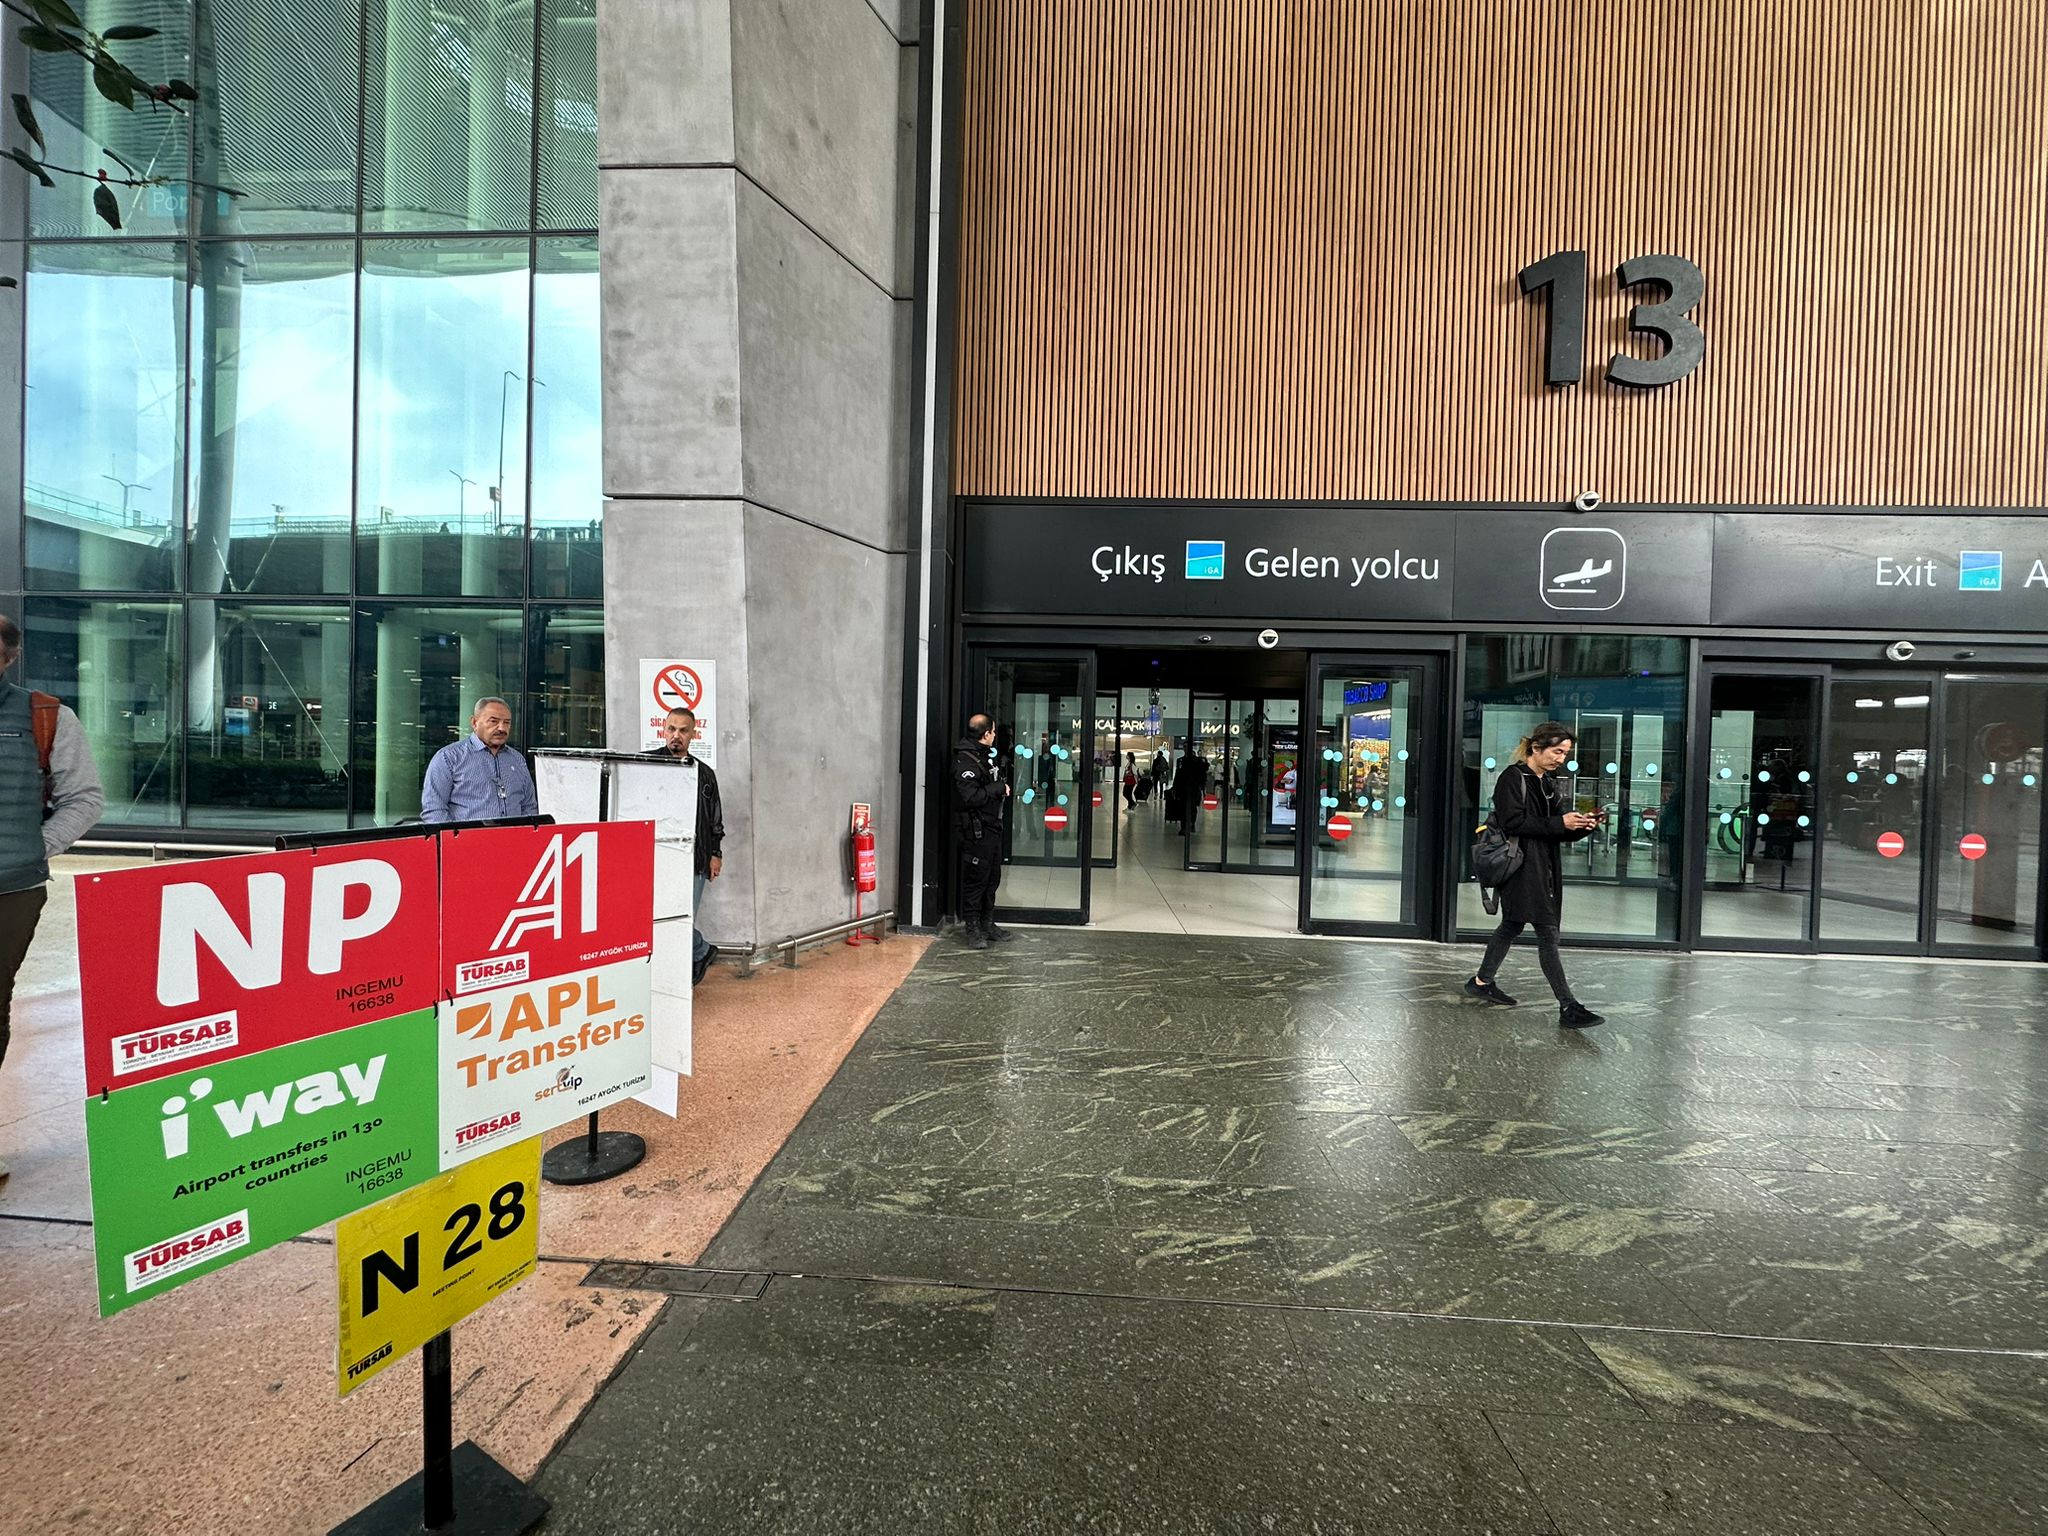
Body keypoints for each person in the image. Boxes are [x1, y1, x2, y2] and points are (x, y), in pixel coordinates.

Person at [0, 615, 104, 1181]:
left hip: (11, 891)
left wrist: (32, 847)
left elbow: (84, 797)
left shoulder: (45, 716)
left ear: (9, 656)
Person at [1465, 721, 1605, 1028]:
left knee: (1512, 925)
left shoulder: (1547, 783)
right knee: (1547, 932)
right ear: (1536, 748)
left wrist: (1582, 827)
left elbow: (1555, 830)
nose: (1561, 759)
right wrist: (1560, 823)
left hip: (1543, 867)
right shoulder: (1512, 778)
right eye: (1557, 752)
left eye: (1565, 753)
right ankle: (1569, 1006)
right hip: (1521, 868)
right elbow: (1513, 823)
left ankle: (1481, 982)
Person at [650, 707, 724, 985]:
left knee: (682, 919)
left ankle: (696, 955)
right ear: (663, 730)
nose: (676, 735)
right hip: (657, 855)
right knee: (656, 916)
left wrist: (715, 854)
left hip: (694, 857)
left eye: (683, 730)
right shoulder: (646, 765)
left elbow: (715, 819)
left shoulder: (704, 773)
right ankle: (701, 950)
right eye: (671, 729)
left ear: (693, 734)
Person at [419, 696, 538, 823]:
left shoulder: (517, 759)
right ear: (474, 723)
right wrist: (455, 835)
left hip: (514, 835)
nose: (502, 728)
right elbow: (434, 810)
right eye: (493, 721)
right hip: (467, 835)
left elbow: (529, 806)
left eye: (507, 722)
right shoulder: (449, 758)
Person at [952, 713, 1012, 949]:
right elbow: (970, 797)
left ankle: (988, 924)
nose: (995, 735)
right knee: (976, 880)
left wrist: (999, 786)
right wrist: (997, 788)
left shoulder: (985, 756)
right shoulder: (965, 761)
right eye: (993, 731)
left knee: (992, 878)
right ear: (986, 734)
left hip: (991, 828)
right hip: (976, 831)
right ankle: (973, 929)